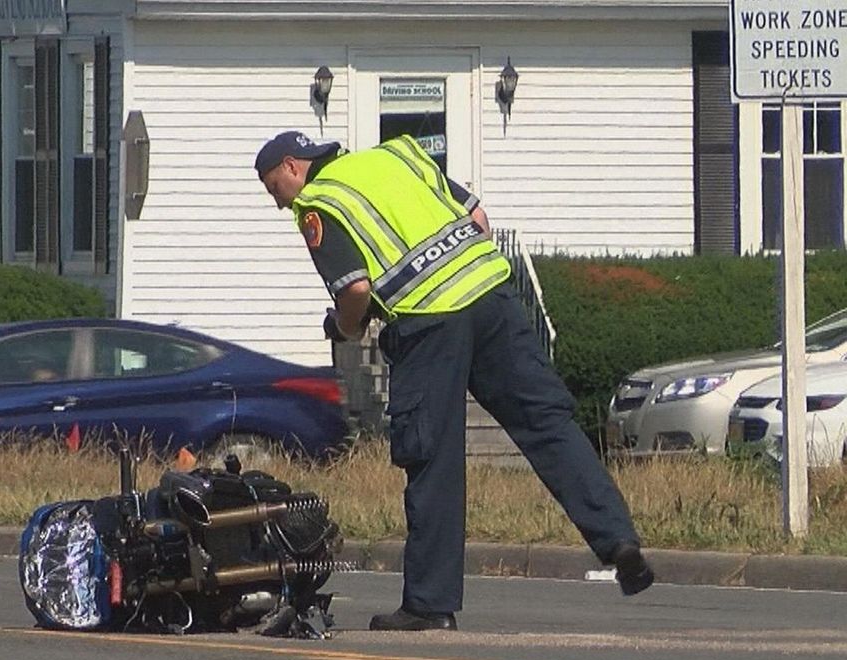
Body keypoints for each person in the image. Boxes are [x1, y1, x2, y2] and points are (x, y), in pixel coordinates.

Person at [254, 130, 654, 631]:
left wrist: (345, 326)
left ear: (293, 167)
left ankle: (429, 604)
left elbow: (355, 288)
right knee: (547, 424)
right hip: (491, 296)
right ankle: (618, 540)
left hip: (428, 323)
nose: (278, 203)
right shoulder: (397, 155)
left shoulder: (318, 204)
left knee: (432, 458)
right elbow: (478, 219)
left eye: (274, 189)